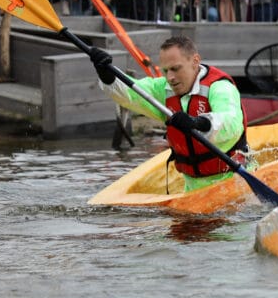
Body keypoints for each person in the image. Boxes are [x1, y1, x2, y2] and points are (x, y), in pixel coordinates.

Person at [88, 36, 251, 192]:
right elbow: (131, 93)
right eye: (165, 71)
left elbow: (231, 122)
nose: (170, 77)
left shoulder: (220, 87)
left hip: (234, 180)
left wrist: (197, 123)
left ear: (195, 61)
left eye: (175, 69)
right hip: (193, 188)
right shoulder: (164, 89)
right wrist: (107, 76)